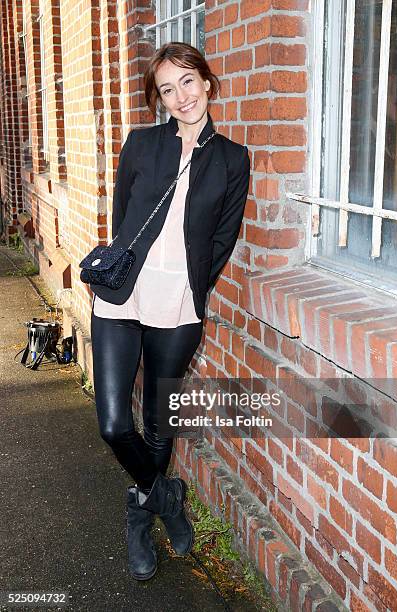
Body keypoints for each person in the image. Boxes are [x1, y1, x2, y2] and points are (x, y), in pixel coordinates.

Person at [89, 41, 250, 581]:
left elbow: (221, 240)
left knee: (159, 425)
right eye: (167, 89)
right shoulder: (141, 144)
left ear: (206, 82)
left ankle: (139, 514)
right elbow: (123, 213)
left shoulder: (231, 159)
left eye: (188, 81)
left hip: (178, 303)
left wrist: (190, 287)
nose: (181, 96)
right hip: (122, 294)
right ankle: (165, 500)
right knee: (115, 424)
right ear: (158, 100)